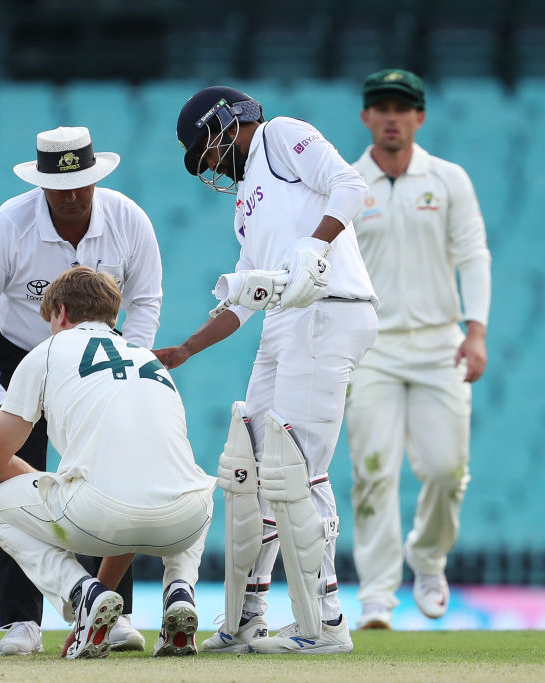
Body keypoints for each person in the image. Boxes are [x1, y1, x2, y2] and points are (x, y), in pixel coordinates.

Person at [157, 86, 379, 654]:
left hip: (329, 307)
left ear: (226, 124)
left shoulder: (280, 135)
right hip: (285, 319)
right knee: (248, 471)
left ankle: (325, 623)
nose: (208, 165)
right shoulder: (242, 206)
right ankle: (248, 615)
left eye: (204, 151)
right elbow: (242, 301)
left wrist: (316, 248)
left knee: (295, 468)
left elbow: (351, 185)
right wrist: (184, 350)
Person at [0, 126, 163, 655]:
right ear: (41, 182)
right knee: (12, 483)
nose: (71, 196)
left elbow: (147, 299)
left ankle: (111, 615)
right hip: (20, 356)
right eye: (60, 186)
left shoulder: (128, 220)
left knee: (109, 477)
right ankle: (21, 623)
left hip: (96, 358)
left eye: (82, 184)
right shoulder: (8, 225)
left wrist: (125, 365)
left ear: (96, 177)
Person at [0, 266, 215, 659]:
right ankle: (179, 592)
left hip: (99, 513)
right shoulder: (149, 360)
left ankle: (79, 593)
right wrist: (101, 599)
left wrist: (49, 485)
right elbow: (133, 501)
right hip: (187, 522)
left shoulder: (47, 352)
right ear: (113, 316)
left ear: (61, 313)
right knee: (185, 484)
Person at [346, 69, 491, 630]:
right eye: (380, 107)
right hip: (373, 346)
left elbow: (474, 255)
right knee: (373, 471)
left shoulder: (449, 179)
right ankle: (377, 596)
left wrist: (475, 331)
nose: (390, 117)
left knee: (447, 469)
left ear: (419, 117)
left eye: (401, 108)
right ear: (365, 116)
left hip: (439, 344)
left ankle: (428, 561)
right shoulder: (349, 185)